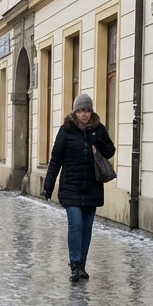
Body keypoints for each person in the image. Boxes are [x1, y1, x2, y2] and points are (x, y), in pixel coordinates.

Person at [42, 93, 115, 283]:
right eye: (81, 111)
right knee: (76, 224)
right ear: (75, 112)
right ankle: (74, 264)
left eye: (88, 111)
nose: (85, 115)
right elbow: (56, 159)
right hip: (71, 187)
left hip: (92, 187)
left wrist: (97, 140)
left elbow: (110, 151)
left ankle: (82, 264)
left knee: (87, 227)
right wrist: (48, 186)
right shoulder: (66, 131)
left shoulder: (98, 129)